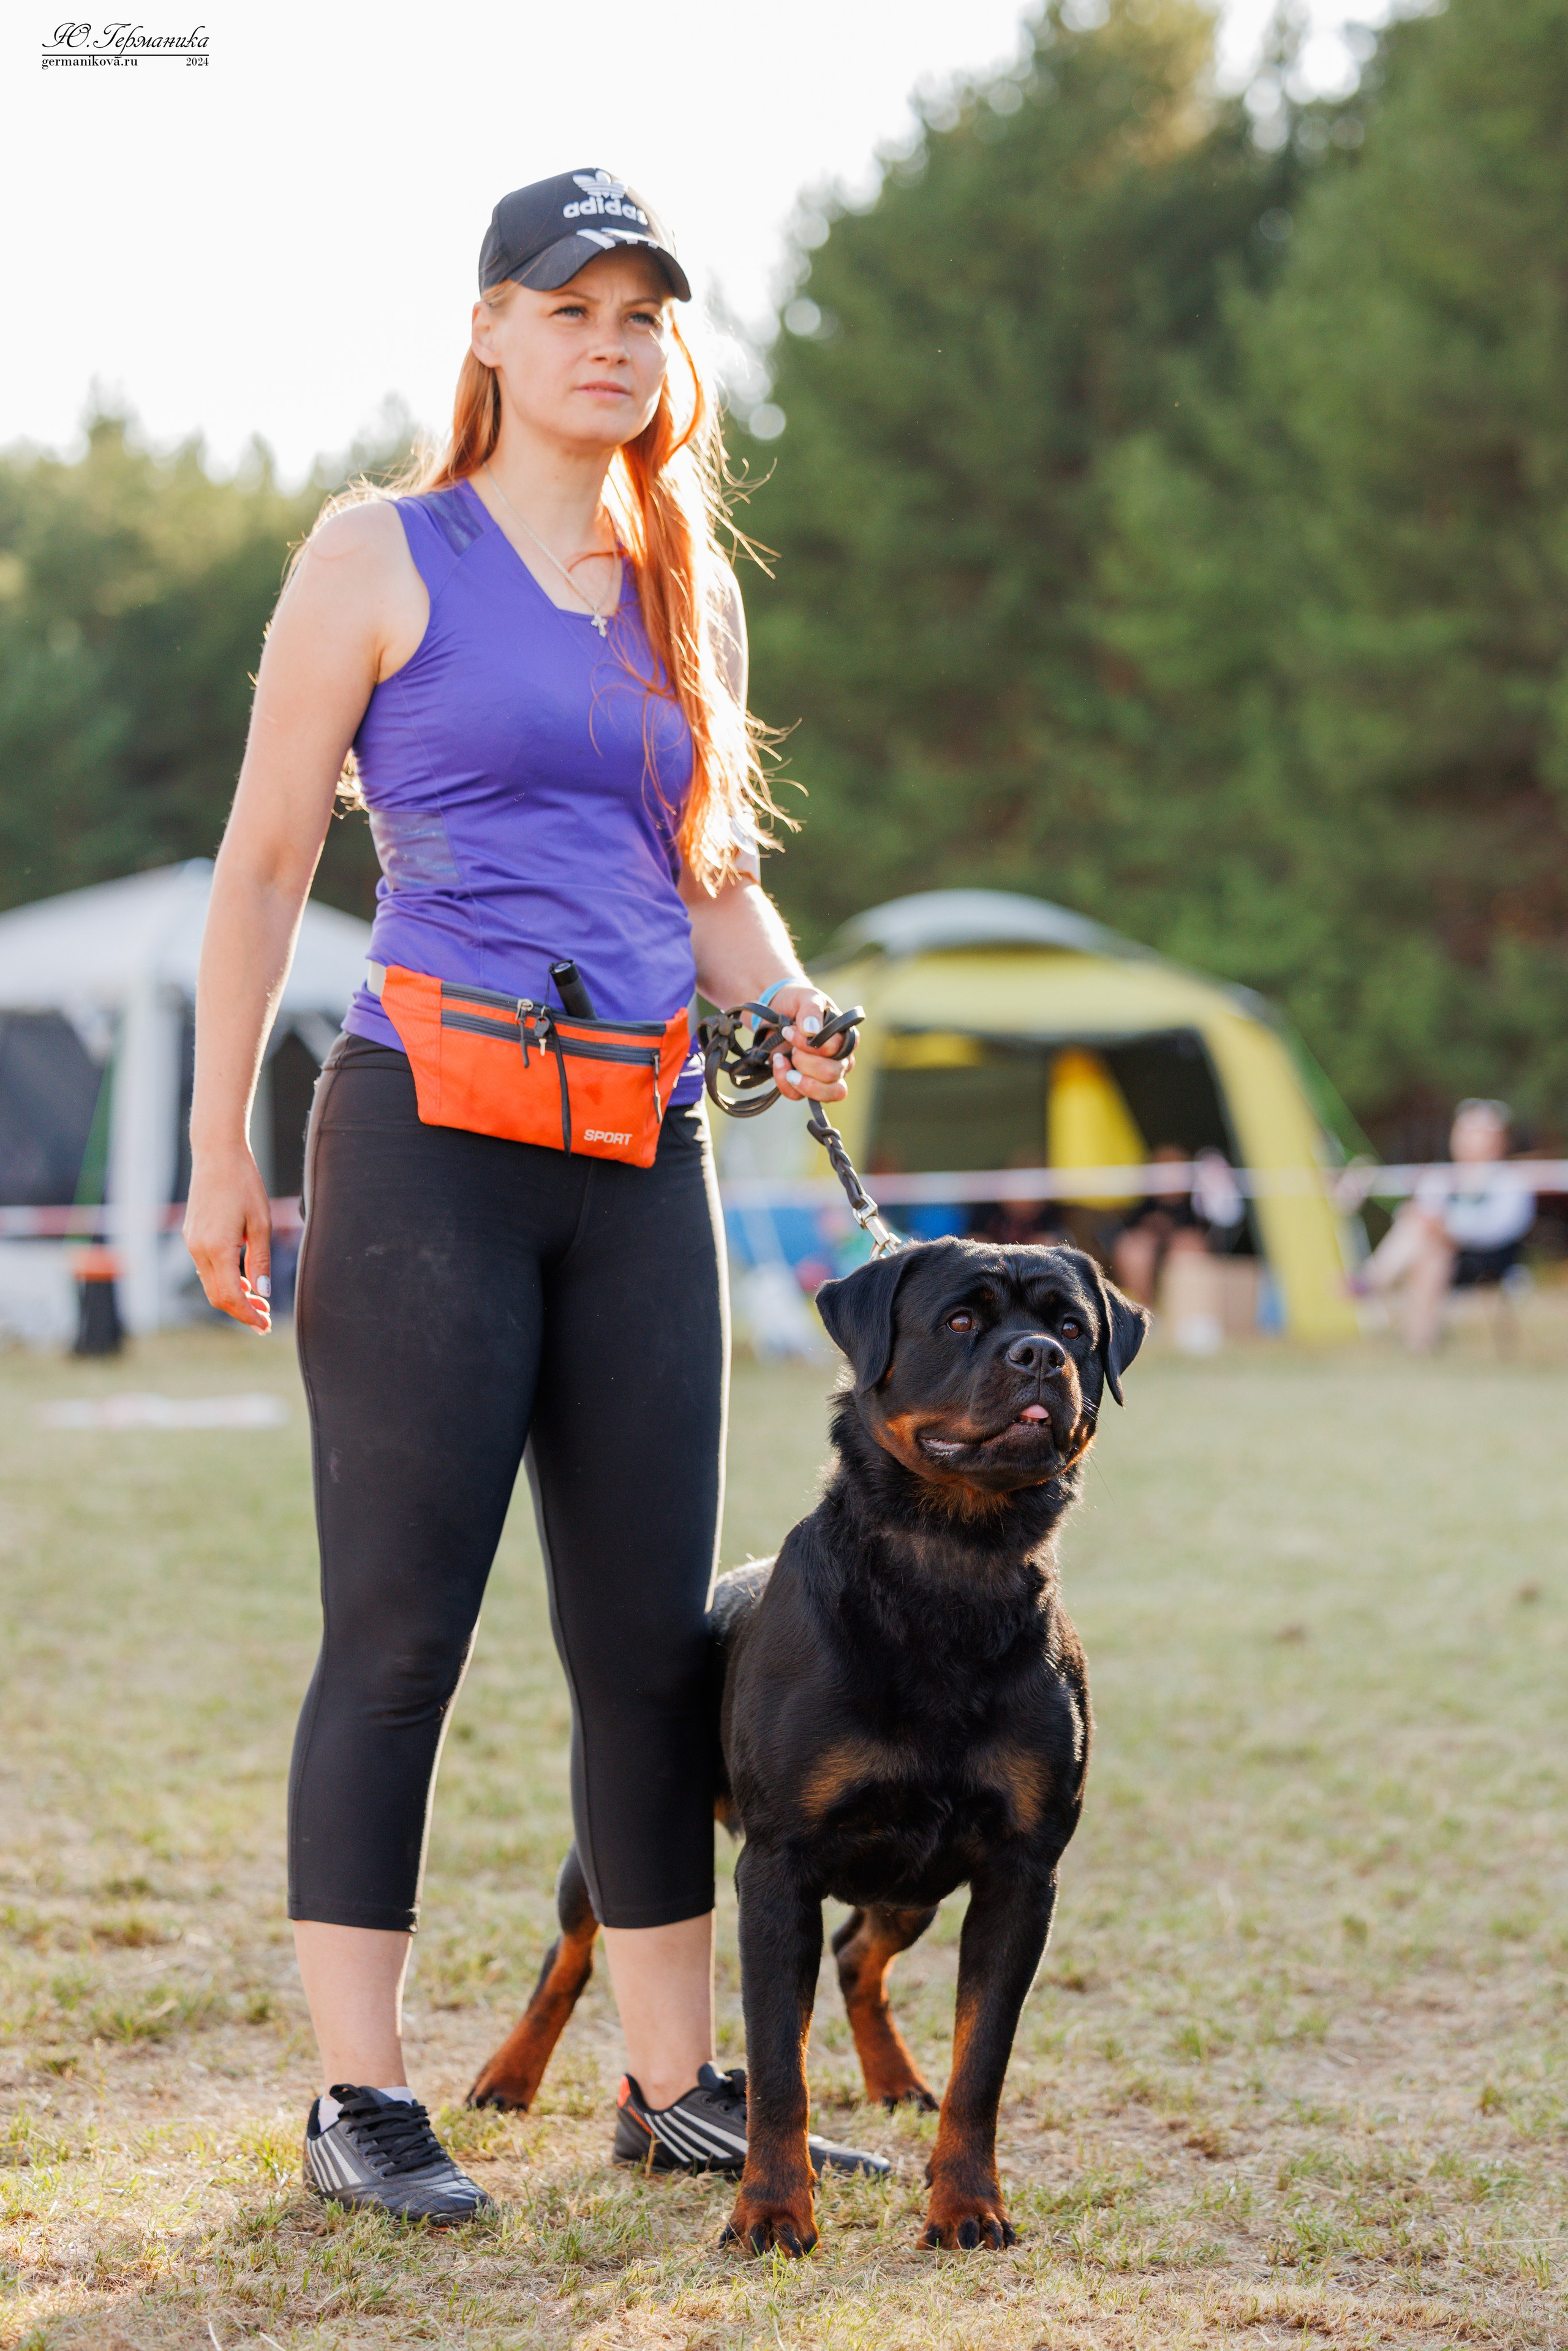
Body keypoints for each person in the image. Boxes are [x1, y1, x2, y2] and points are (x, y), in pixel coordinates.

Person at [184, 170, 884, 2221]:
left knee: (653, 1646)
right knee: (398, 1630)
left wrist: (790, 1000)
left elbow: (713, 869)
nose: (610, 336)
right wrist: (219, 1142)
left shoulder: (687, 579)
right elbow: (255, 865)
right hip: (423, 1142)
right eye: (568, 302)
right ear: (486, 329)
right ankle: (358, 2093)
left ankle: (673, 2081)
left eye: (642, 309)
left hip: (639, 1154)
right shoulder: (375, 552)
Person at [1351, 1098, 1534, 1352]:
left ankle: (1373, 1281)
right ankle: (1419, 1344)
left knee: (1429, 1246)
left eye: (1476, 1134)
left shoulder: (1510, 1181)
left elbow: (1504, 1228)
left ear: (1497, 1140)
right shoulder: (1442, 1178)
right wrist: (1422, 1219)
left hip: (1488, 1258)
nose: (1466, 1140)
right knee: (1429, 1251)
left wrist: (1450, 1229)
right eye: (1463, 1132)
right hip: (1442, 1252)